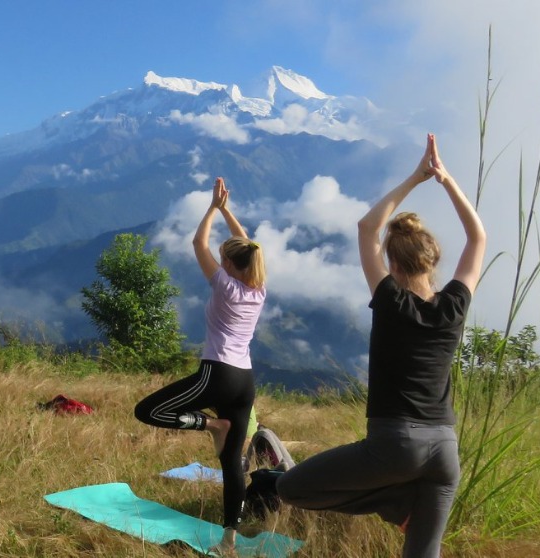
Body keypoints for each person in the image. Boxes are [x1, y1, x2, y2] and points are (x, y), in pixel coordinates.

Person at [275, 134, 485, 558]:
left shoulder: (390, 301)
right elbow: (477, 237)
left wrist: (416, 178)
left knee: (291, 488)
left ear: (391, 263)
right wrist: (446, 180)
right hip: (445, 451)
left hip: (395, 445)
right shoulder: (454, 306)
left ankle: (394, 501)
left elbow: (367, 227)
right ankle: (400, 502)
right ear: (433, 260)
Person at [133, 177, 266, 553]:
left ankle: (212, 425)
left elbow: (198, 243)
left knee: (147, 411)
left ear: (229, 265)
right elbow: (248, 245)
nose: (220, 261)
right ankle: (229, 542)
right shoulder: (258, 288)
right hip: (244, 382)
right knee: (232, 464)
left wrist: (212, 208)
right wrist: (227, 211)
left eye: (224, 259)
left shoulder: (225, 286)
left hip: (217, 373)